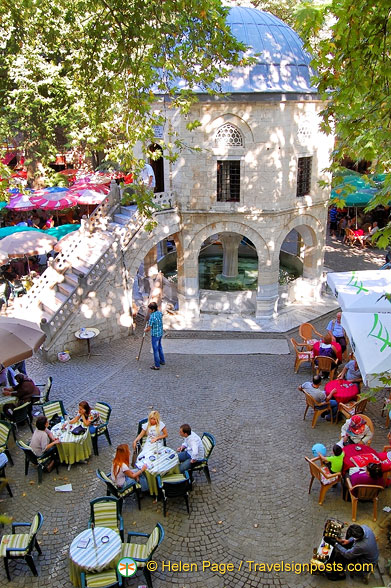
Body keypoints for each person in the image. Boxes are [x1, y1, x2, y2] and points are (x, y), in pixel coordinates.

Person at [145, 301, 165, 370]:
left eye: (149, 309)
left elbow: (149, 328)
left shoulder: (152, 317)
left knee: (155, 349)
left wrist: (145, 330)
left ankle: (157, 365)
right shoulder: (159, 313)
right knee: (160, 347)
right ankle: (162, 361)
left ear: (153, 309)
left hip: (155, 335)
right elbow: (162, 316)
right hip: (160, 333)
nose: (149, 310)